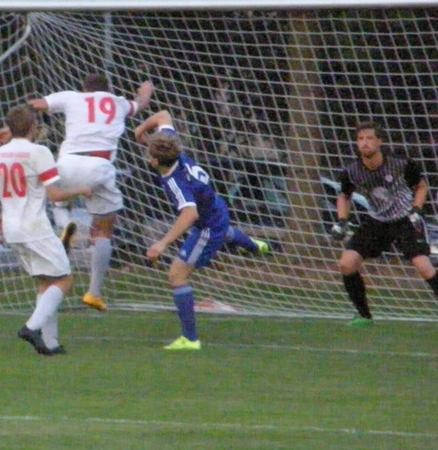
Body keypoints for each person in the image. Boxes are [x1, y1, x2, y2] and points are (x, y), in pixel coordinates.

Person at [133, 110, 268, 350]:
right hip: (217, 208)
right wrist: (140, 131)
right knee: (224, 232)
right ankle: (254, 245)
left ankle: (190, 339)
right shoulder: (173, 149)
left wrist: (161, 243)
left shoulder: (175, 181)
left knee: (177, 276)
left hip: (207, 226)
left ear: (154, 162)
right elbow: (164, 115)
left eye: (148, 153)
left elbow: (190, 214)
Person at [29, 74, 154, 311]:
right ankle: (94, 293)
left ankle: (65, 223)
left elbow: (37, 104)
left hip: (68, 163)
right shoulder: (118, 102)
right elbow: (141, 103)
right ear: (108, 89)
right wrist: (145, 89)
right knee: (105, 230)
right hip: (100, 167)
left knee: (58, 199)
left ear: (84, 89)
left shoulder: (72, 98)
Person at [0, 105, 92, 355]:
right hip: (35, 227)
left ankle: (50, 343)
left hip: (12, 228)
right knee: (64, 279)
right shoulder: (39, 152)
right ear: (33, 126)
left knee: (45, 281)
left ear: (10, 128)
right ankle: (31, 327)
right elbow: (55, 195)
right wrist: (82, 189)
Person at [330, 121, 438, 326]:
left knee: (423, 266)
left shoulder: (401, 164)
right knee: (347, 264)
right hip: (378, 221)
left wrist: (416, 209)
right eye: (360, 139)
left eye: (370, 138)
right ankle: (364, 316)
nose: (365, 143)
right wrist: (342, 221)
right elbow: (344, 196)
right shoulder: (351, 171)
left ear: (379, 141)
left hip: (405, 219)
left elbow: (421, 187)